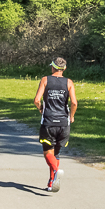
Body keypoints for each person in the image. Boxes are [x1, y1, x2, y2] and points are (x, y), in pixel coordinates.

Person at [32, 57, 77, 192]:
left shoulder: (45, 80)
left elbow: (36, 100)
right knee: (56, 154)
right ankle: (51, 183)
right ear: (64, 69)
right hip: (64, 123)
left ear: (52, 67)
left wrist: (41, 109)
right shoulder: (69, 82)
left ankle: (56, 171)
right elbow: (74, 103)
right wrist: (72, 116)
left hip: (49, 122)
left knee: (48, 153)